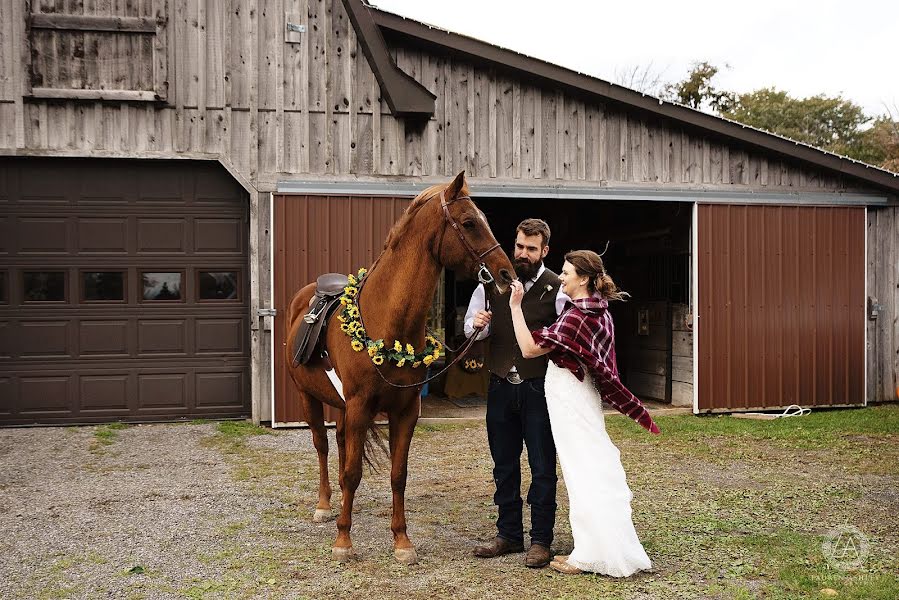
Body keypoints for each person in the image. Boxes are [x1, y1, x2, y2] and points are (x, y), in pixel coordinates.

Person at [508, 249, 659, 577]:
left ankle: (591, 556)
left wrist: (516, 308)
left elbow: (529, 348)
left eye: (565, 272)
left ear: (584, 278)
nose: (560, 277)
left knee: (582, 473)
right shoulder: (597, 310)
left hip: (571, 400)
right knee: (587, 471)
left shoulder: (580, 316)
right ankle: (590, 549)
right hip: (578, 397)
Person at [467, 219, 568, 569]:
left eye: (531, 248)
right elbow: (471, 330)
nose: (522, 254)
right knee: (504, 465)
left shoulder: (558, 289)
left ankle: (541, 540)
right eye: (519, 246)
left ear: (544, 251)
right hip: (498, 387)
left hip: (539, 389)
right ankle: (508, 534)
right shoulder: (491, 283)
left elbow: (567, 341)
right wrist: (477, 326)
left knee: (542, 467)